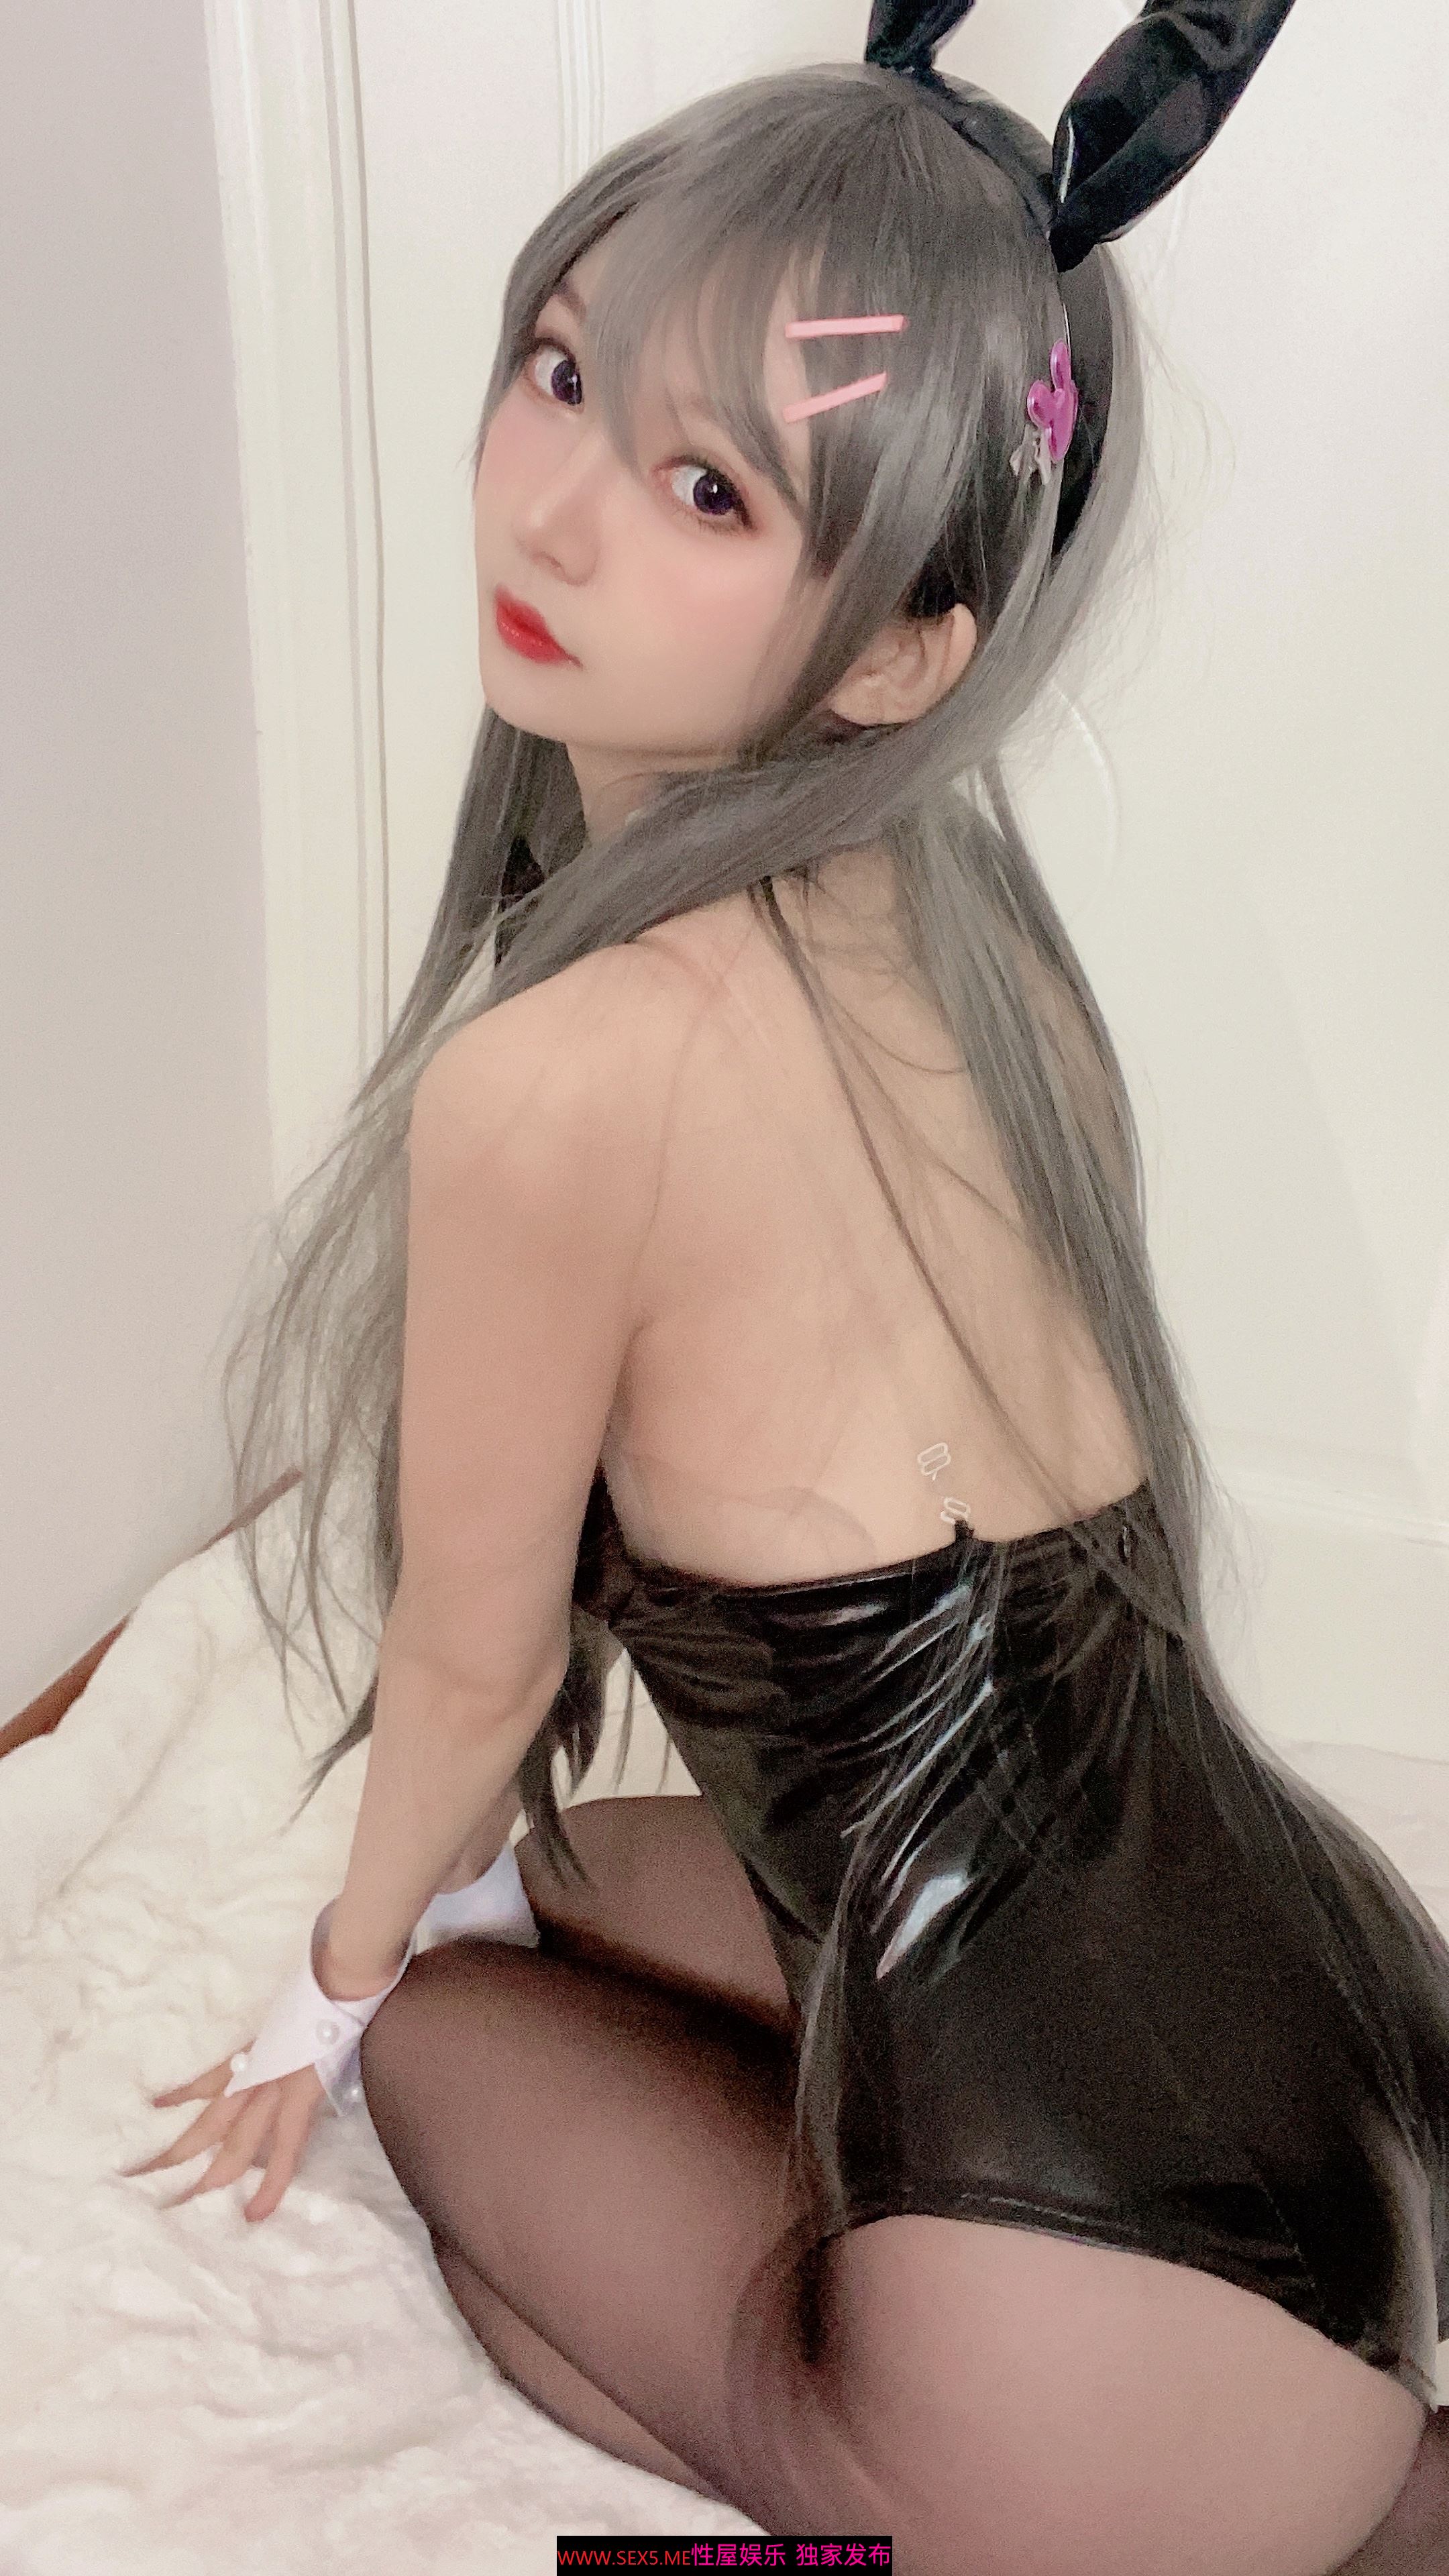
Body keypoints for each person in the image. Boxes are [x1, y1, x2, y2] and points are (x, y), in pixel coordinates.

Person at [127, 7, 1449, 2568]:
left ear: (898, 650)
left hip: (1082, 2361)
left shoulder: (555, 1084)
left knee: (450, 2037)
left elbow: (471, 1668)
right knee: (587, 1867)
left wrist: (328, 1990)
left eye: (709, 484)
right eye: (563, 370)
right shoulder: (985, 946)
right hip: (1345, 2045)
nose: (556, 510)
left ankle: (969, 2507)